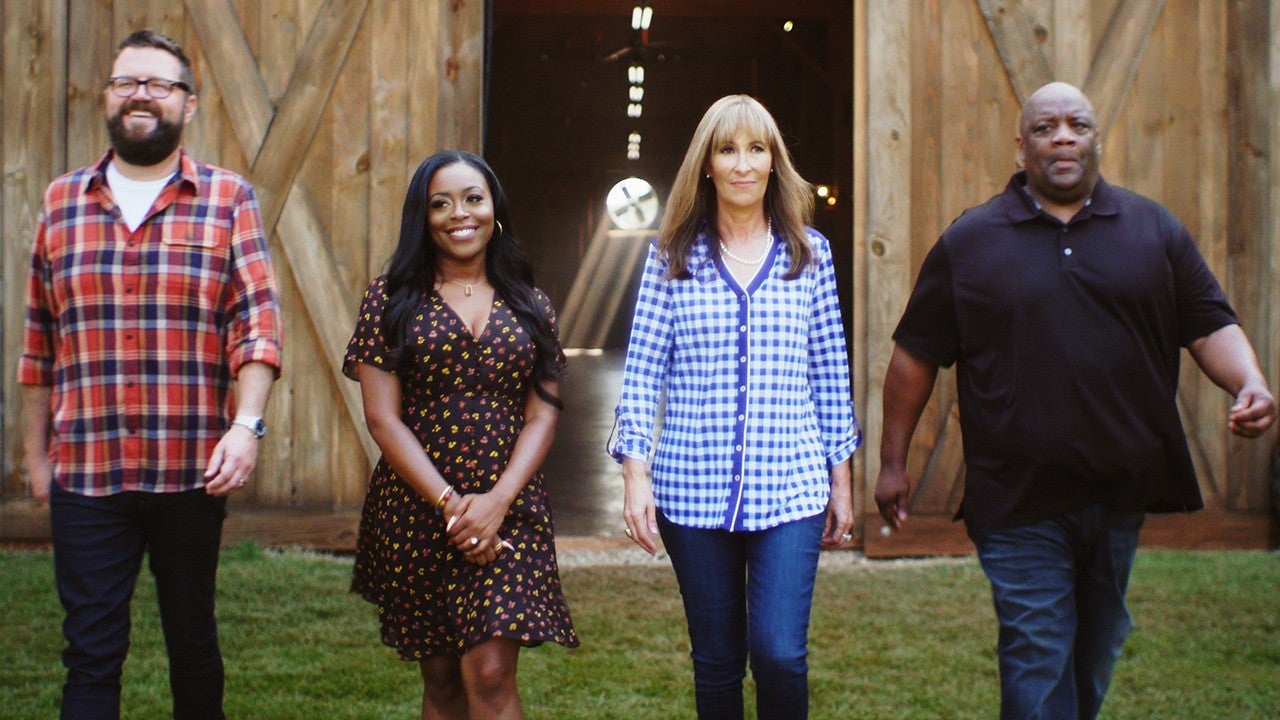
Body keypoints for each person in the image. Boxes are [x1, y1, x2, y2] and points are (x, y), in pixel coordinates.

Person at [875, 81, 1277, 720]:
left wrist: (1248, 381)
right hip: (1016, 494)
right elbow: (915, 356)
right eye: (1045, 127)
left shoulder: (1153, 229)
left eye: (1077, 125)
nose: (1062, 137)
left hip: (1120, 488)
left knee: (1097, 646)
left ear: (1096, 138)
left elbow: (1208, 324)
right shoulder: (972, 240)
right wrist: (892, 463)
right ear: (1021, 146)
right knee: (1038, 649)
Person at [17, 28, 282, 720]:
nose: (141, 95)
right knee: (90, 655)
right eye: (127, 82)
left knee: (192, 642)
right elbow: (39, 341)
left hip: (190, 470)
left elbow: (256, 322)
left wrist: (246, 427)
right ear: (107, 97)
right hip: (86, 472)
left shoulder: (227, 198)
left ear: (187, 104)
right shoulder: (62, 202)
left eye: (159, 84)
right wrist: (35, 459)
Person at [611, 94, 861, 719]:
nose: (743, 164)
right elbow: (641, 373)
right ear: (707, 164)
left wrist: (841, 480)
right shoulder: (671, 258)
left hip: (791, 488)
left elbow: (830, 373)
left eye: (756, 149)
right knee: (717, 662)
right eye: (727, 150)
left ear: (774, 162)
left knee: (780, 654)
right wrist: (635, 475)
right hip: (692, 490)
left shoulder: (810, 255)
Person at [343, 150, 578, 720]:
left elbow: (543, 415)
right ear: (422, 218)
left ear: (494, 207)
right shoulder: (389, 299)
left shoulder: (532, 305)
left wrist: (496, 503)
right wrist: (452, 506)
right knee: (444, 681)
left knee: (490, 673)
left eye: (473, 198)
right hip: (418, 507)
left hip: (510, 505)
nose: (459, 214)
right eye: (440, 204)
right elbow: (383, 419)